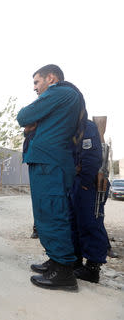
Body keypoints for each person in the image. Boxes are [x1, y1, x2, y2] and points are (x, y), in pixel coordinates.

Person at [17, 64, 84, 291]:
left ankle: (64, 272)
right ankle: (55, 261)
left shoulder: (60, 91)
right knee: (46, 213)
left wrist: (33, 120)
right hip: (50, 162)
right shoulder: (65, 97)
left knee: (53, 213)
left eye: (37, 82)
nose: (35, 88)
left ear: (51, 78)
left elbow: (23, 116)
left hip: (50, 163)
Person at [69, 119, 110, 283]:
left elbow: (91, 158)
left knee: (91, 223)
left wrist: (85, 182)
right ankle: (76, 262)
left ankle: (93, 268)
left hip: (88, 183)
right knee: (74, 223)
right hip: (76, 182)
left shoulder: (87, 127)